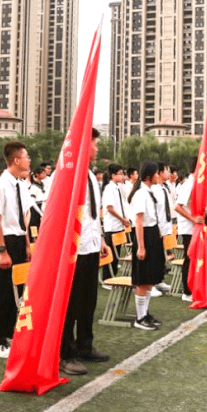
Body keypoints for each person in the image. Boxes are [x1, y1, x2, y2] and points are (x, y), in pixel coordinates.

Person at [61, 130, 112, 375]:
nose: (97, 148)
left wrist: (101, 239)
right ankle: (66, 353)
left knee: (88, 301)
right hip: (74, 249)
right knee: (70, 304)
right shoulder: (68, 176)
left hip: (91, 246)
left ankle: (85, 346)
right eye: (95, 144)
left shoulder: (91, 176)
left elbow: (94, 214)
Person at [0, 142, 35, 358]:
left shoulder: (21, 185)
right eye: (26, 156)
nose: (29, 160)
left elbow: (24, 219)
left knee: (18, 290)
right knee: (3, 291)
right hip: (3, 240)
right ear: (16, 160)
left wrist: (27, 245)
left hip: (18, 241)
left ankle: (9, 335)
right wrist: (2, 250)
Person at [128, 162, 164, 330]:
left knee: (150, 278)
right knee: (143, 280)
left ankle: (145, 313)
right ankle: (139, 317)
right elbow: (139, 221)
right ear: (150, 176)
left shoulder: (149, 192)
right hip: (145, 236)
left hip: (153, 234)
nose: (159, 176)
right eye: (157, 174)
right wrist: (141, 247)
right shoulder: (141, 194)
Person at [174, 159, 207, 301]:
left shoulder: (197, 183)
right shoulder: (189, 183)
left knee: (200, 257)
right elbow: (178, 206)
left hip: (196, 227)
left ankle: (197, 287)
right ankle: (186, 291)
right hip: (188, 227)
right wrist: (193, 218)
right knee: (189, 258)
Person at [100, 164, 130, 284]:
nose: (123, 176)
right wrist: (122, 219)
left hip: (118, 225)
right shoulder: (109, 189)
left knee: (116, 253)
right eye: (120, 174)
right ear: (113, 176)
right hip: (112, 226)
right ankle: (107, 279)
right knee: (110, 254)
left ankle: (113, 277)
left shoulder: (117, 187)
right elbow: (110, 208)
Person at [151, 162, 174, 296]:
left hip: (164, 227)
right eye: (166, 171)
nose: (168, 174)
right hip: (156, 228)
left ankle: (159, 280)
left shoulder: (163, 188)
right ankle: (152, 283)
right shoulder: (154, 189)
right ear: (159, 173)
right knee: (153, 256)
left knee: (161, 257)